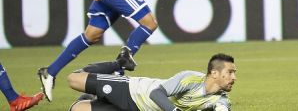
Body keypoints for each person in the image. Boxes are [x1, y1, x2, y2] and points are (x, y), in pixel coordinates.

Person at [67, 53, 236, 111]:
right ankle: (120, 63)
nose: (234, 78)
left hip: (138, 109)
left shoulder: (221, 100)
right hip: (131, 90)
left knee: (76, 109)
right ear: (214, 73)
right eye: (230, 72)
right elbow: (156, 94)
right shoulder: (190, 78)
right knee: (73, 79)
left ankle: (90, 96)